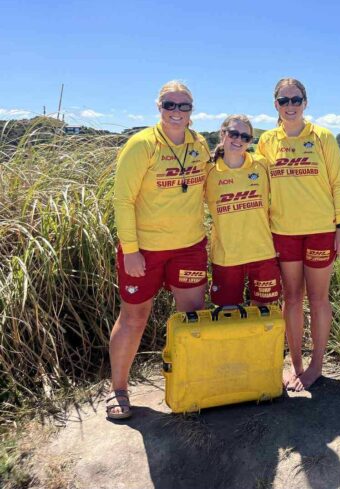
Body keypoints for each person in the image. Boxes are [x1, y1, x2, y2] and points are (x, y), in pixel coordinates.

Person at [107, 80, 210, 419]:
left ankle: (190, 383)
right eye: (170, 105)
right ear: (159, 107)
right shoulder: (142, 145)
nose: (176, 112)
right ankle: (118, 389)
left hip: (189, 247)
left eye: (184, 106)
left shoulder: (200, 145)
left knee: (190, 317)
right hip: (145, 250)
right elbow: (123, 199)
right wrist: (131, 249)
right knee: (134, 317)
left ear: (191, 111)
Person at [257, 78, 340, 391]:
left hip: (321, 230)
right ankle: (295, 364)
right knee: (292, 299)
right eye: (284, 101)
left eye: (296, 99)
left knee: (319, 298)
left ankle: (317, 366)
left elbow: (338, 183)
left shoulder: (323, 137)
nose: (290, 106)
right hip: (283, 231)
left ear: (306, 102)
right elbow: (259, 184)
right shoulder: (267, 141)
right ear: (276, 106)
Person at [205, 115, 281, 307]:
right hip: (226, 255)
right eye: (233, 134)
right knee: (227, 316)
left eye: (245, 137)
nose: (238, 140)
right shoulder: (208, 171)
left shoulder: (262, 164)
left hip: (262, 252)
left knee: (265, 317)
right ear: (223, 134)